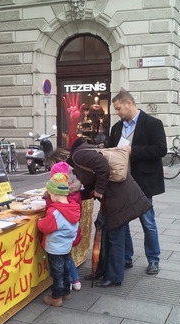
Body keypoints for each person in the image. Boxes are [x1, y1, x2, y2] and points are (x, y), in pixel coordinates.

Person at [68, 138, 151, 287]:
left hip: (119, 198)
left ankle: (114, 277)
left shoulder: (78, 156)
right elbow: (91, 186)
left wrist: (99, 190)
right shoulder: (85, 152)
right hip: (117, 197)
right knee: (111, 235)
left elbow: (102, 167)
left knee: (115, 237)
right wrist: (73, 195)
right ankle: (105, 269)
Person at [108, 90, 167, 275]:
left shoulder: (152, 123)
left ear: (128, 103)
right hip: (121, 182)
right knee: (122, 222)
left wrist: (134, 151)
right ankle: (126, 258)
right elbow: (111, 150)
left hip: (143, 182)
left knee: (148, 222)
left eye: (118, 108)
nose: (117, 112)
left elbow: (161, 149)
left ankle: (153, 260)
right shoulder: (116, 128)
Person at [38, 172, 81, 306]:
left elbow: (45, 227)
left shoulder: (55, 212)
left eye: (50, 194)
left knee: (57, 272)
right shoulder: (74, 208)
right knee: (66, 269)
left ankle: (56, 297)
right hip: (66, 245)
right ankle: (66, 293)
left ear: (55, 194)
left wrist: (40, 221)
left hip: (55, 247)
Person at [47, 154, 83, 291]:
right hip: (72, 231)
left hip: (58, 238)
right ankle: (74, 282)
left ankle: (61, 290)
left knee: (60, 265)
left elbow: (47, 222)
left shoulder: (56, 200)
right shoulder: (74, 192)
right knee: (68, 257)